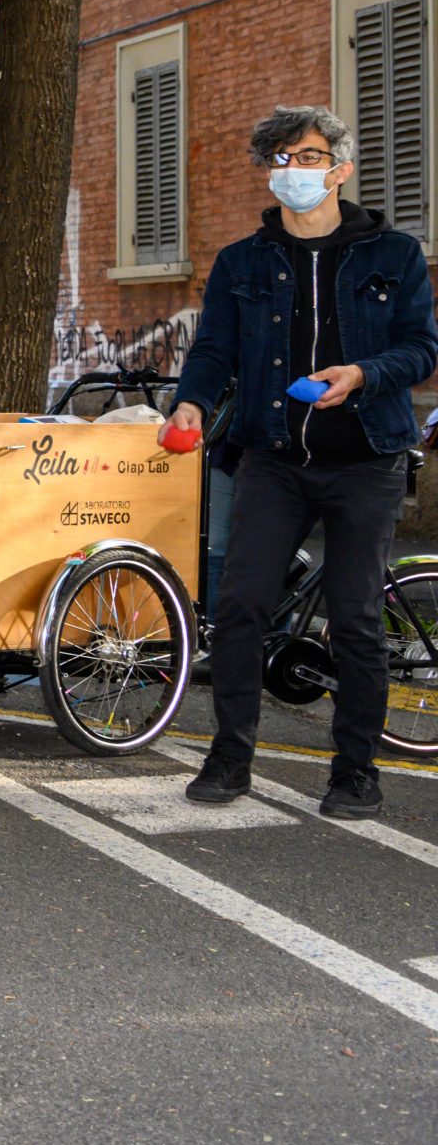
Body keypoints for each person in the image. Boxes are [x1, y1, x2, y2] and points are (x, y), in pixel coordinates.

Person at [170, 106, 438, 821]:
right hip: (273, 456)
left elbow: (422, 348)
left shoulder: (395, 256)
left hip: (367, 459)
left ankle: (356, 773)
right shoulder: (242, 261)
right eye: (281, 159)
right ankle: (230, 759)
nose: (294, 170)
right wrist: (191, 403)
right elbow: (214, 350)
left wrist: (363, 372)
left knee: (353, 618)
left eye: (309, 156)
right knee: (239, 606)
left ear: (341, 168)